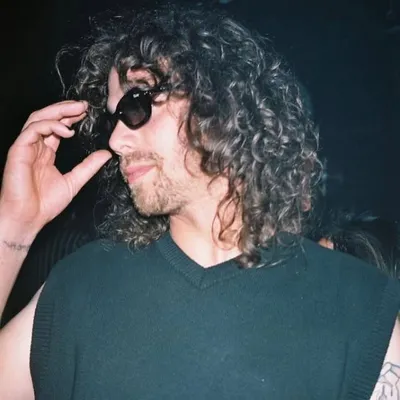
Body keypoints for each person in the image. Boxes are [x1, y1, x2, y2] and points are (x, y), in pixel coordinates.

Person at [0, 4, 399, 399]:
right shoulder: (80, 287)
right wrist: (14, 224)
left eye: (135, 105)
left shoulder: (360, 309)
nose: (117, 140)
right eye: (113, 119)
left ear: (219, 99)